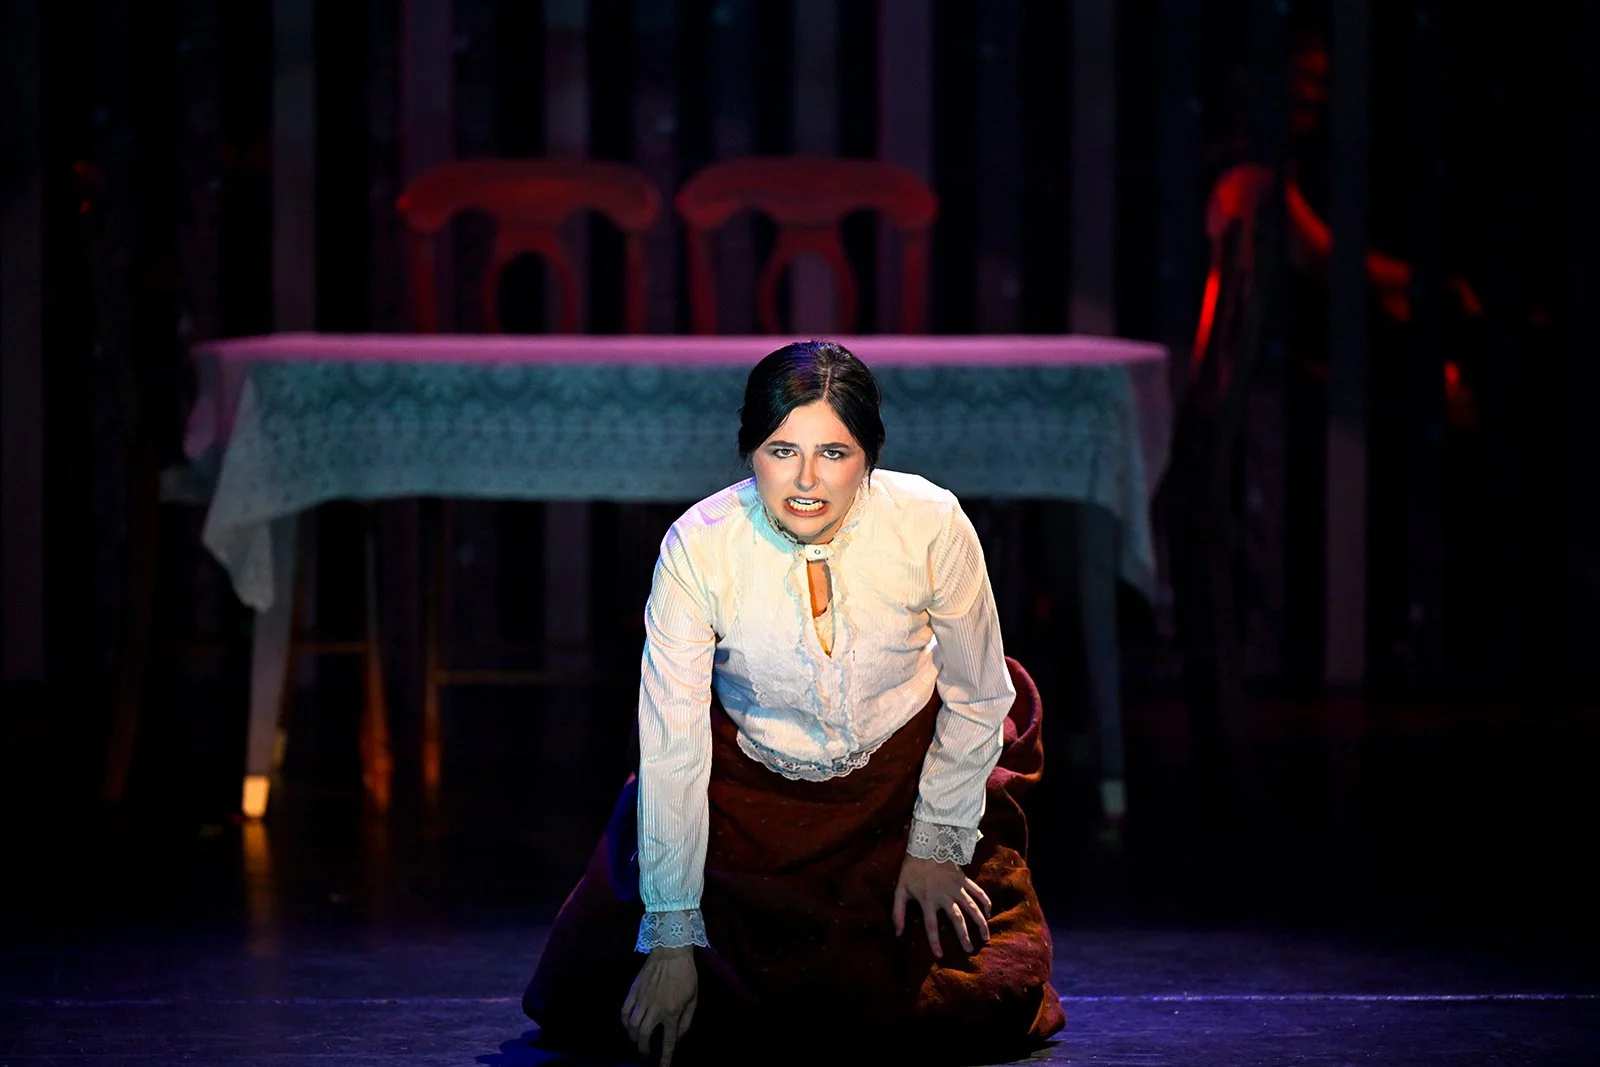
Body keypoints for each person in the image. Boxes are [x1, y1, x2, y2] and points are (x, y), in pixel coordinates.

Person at [523, 340, 1064, 1065]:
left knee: (971, 999)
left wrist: (936, 844)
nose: (807, 480)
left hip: (902, 789)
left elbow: (980, 692)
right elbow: (674, 745)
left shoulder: (930, 523)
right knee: (620, 1000)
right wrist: (674, 941)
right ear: (750, 449)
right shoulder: (699, 546)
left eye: (834, 453)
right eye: (782, 451)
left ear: (868, 456)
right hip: (751, 804)